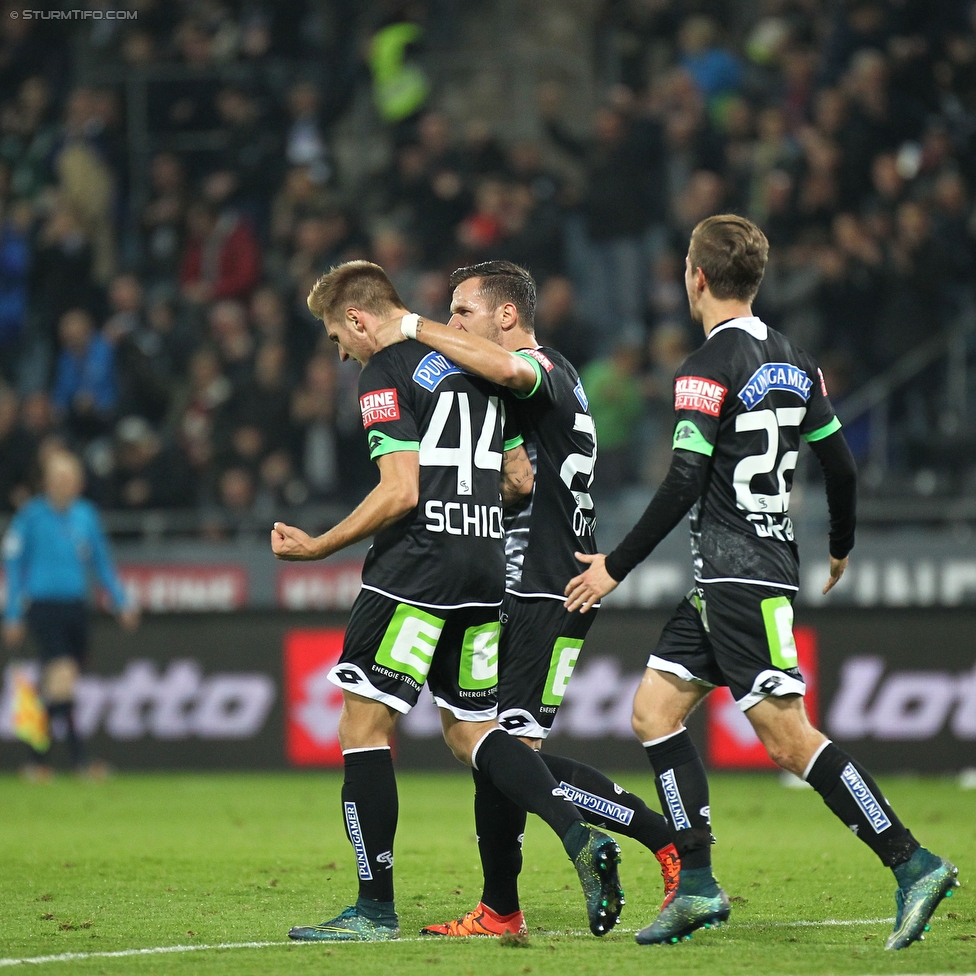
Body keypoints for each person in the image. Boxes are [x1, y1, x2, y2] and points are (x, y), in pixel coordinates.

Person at [563, 214, 958, 950]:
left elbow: (684, 479)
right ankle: (700, 886)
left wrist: (615, 565)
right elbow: (839, 466)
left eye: (686, 263)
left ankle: (914, 862)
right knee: (653, 711)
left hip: (739, 577)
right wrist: (839, 544)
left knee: (787, 739)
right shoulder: (796, 361)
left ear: (698, 278)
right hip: (737, 575)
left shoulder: (704, 370)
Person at [271, 260, 623, 942]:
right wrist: (465, 507)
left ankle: (373, 910)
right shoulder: (474, 367)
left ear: (358, 318)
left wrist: (319, 547)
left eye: (335, 336)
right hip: (486, 569)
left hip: (413, 572)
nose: (339, 352)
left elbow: (400, 490)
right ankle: (578, 834)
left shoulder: (386, 373)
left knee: (363, 730)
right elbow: (519, 479)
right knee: (472, 732)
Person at [373, 260, 681, 938]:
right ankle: (501, 909)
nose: (453, 325)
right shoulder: (547, 383)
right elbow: (518, 480)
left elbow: (512, 379)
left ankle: (665, 842)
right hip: (545, 581)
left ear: (504, 317)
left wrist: (412, 327)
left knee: (497, 749)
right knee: (496, 753)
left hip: (542, 584)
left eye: (463, 313)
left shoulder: (539, 369)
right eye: (449, 315)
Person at [1, 450, 139, 778]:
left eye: (70, 477)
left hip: (75, 607)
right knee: (62, 675)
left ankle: (37, 760)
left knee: (61, 685)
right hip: (43, 607)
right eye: (58, 477)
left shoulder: (85, 516)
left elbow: (101, 562)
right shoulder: (30, 517)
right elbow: (14, 567)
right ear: (47, 481)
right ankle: (78, 759)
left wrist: (121, 600)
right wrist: (13, 614)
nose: (64, 483)